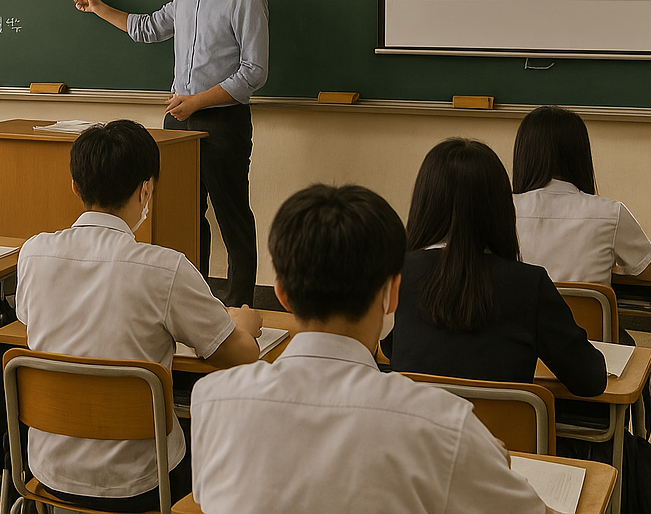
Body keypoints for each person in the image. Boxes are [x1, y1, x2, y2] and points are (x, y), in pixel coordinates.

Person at [190, 183, 551, 514]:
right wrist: (485, 463)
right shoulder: (443, 424)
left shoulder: (212, 400)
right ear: (392, 293)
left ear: (281, 293)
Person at [16, 119, 263, 510]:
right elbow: (240, 355)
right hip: (143, 482)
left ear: (75, 186)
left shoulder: (33, 253)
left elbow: (30, 322)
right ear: (146, 189)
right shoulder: (165, 268)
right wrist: (244, 326)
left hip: (48, 471)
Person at [70, 0, 268, 305]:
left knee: (233, 219)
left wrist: (197, 101)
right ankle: (192, 304)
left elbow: (254, 72)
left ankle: (241, 310)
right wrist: (97, 6)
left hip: (223, 123)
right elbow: (147, 28)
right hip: (178, 123)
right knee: (184, 219)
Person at [388, 138, 606, 397]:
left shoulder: (396, 274)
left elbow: (392, 351)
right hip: (500, 438)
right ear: (500, 208)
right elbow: (590, 379)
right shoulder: (528, 284)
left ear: (424, 204)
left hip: (413, 435)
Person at [512, 105, 651, 286]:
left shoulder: (504, 210)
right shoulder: (610, 213)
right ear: (580, 156)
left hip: (518, 315)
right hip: (585, 315)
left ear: (524, 156)